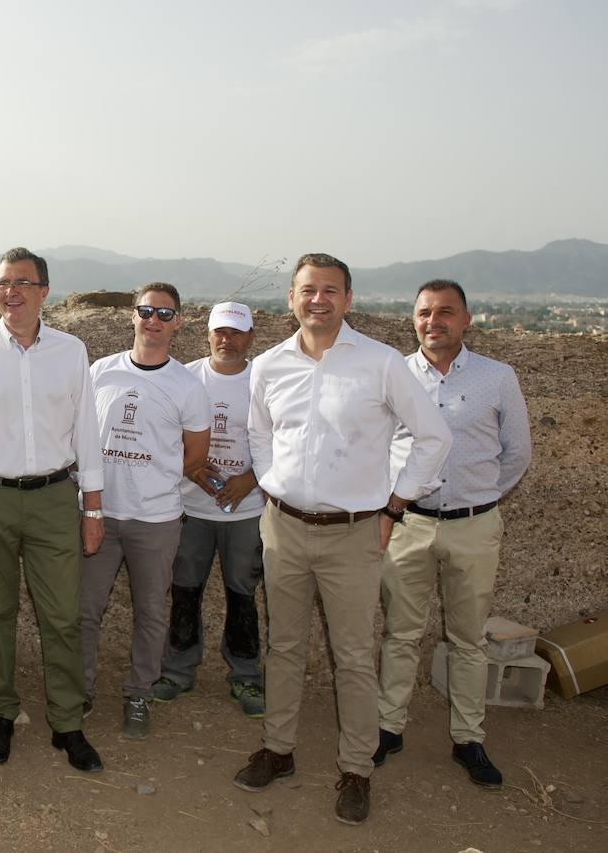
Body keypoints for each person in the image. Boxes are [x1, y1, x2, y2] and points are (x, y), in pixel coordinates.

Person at [233, 254, 451, 826]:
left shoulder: (380, 364)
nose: (319, 299)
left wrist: (394, 505)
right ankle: (278, 751)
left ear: (348, 300)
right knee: (284, 647)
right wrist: (271, 488)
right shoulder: (269, 366)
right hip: (282, 526)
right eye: (309, 289)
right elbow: (258, 433)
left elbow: (433, 435)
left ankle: (356, 769)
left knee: (353, 656)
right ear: (291, 298)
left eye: (331, 290)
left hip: (354, 532)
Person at [0, 247, 107, 773]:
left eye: (23, 283)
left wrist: (92, 509)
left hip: (55, 497)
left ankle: (67, 722)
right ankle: (2, 713)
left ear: (44, 291)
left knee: (62, 615)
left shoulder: (72, 351)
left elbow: (87, 430)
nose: (11, 292)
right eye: (3, 283)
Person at [374, 279, 531, 788]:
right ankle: (388, 728)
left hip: (473, 527)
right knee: (400, 632)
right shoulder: (393, 375)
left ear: (466, 319)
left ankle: (468, 738)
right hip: (409, 525)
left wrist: (480, 499)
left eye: (445, 312)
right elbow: (378, 449)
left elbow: (516, 454)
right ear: (413, 319)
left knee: (468, 638)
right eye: (424, 312)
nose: (433, 321)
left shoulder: (497, 377)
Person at [81, 282, 209, 739]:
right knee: (85, 608)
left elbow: (195, 456)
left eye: (164, 313)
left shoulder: (187, 386)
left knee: (152, 611)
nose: (153, 320)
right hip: (100, 513)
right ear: (132, 317)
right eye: (146, 311)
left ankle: (139, 692)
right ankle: (82, 688)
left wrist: (154, 481)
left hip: (156, 520)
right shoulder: (100, 372)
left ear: (178, 322)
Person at [155, 301, 268, 718]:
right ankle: (179, 671)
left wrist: (248, 480)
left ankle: (245, 675)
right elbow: (167, 436)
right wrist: (193, 469)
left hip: (247, 507)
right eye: (220, 331)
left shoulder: (263, 380)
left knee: (243, 593)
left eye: (237, 332)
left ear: (251, 337)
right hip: (192, 504)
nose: (227, 339)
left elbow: (282, 440)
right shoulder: (186, 378)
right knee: (185, 589)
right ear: (207, 334)